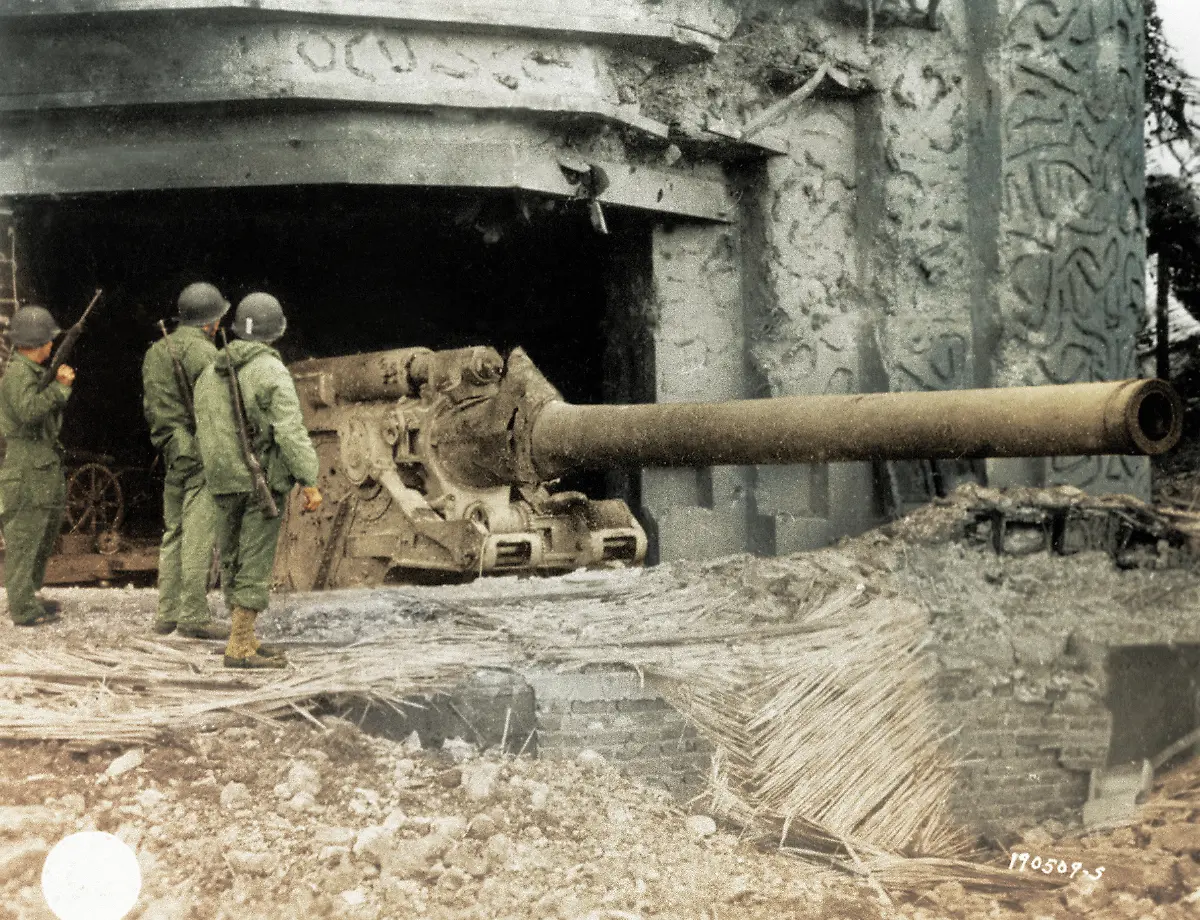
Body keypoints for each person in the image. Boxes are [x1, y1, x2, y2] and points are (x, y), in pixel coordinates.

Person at [194, 292, 322, 669]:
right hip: (259, 480)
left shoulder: (207, 374)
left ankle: (244, 635)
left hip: (221, 480)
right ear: (275, 331)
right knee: (255, 558)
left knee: (232, 555)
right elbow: (291, 431)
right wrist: (308, 479)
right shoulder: (271, 371)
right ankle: (240, 645)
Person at [142, 281, 231, 638]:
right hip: (198, 450)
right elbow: (219, 411)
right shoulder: (205, 354)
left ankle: (167, 614)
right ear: (209, 322)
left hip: (170, 449)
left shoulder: (155, 352)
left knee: (174, 530)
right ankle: (193, 615)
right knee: (198, 534)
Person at [0, 306, 74, 626]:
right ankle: (22, 607)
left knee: (42, 535)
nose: (51, 347)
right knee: (25, 537)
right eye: (48, 341)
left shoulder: (30, 373)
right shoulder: (18, 373)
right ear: (37, 342)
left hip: (41, 463)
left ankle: (28, 594)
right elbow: (30, 410)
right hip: (27, 465)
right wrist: (59, 389)